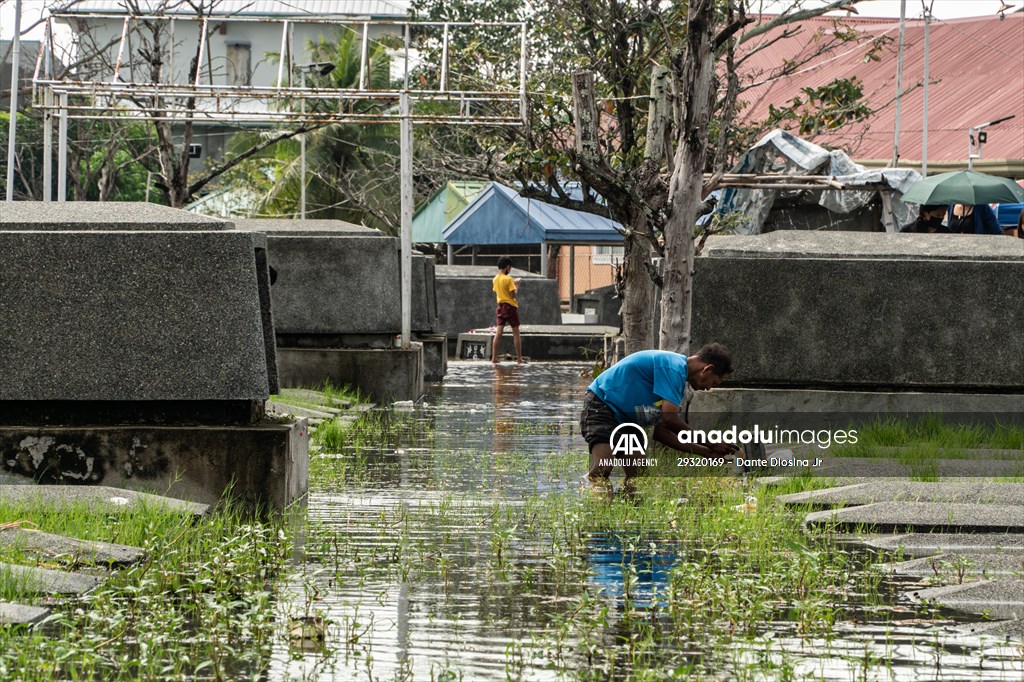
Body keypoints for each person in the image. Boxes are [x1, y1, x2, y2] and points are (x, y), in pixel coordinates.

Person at [580, 344, 737, 483]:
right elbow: (670, 419)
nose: (709, 388)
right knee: (603, 469)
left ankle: (628, 515)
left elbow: (661, 433)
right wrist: (711, 442)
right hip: (603, 406)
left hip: (628, 421)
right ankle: (583, 490)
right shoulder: (672, 368)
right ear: (707, 369)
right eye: (714, 382)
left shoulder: (677, 381)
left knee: (639, 477)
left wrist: (706, 452)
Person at [491, 256, 525, 364]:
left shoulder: (495, 279)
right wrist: (517, 285)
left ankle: (494, 358)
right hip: (510, 307)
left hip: (500, 307)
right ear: (507, 267)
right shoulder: (509, 279)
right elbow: (513, 295)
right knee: (516, 333)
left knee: (498, 332)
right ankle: (519, 358)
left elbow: (497, 291)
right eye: (510, 268)